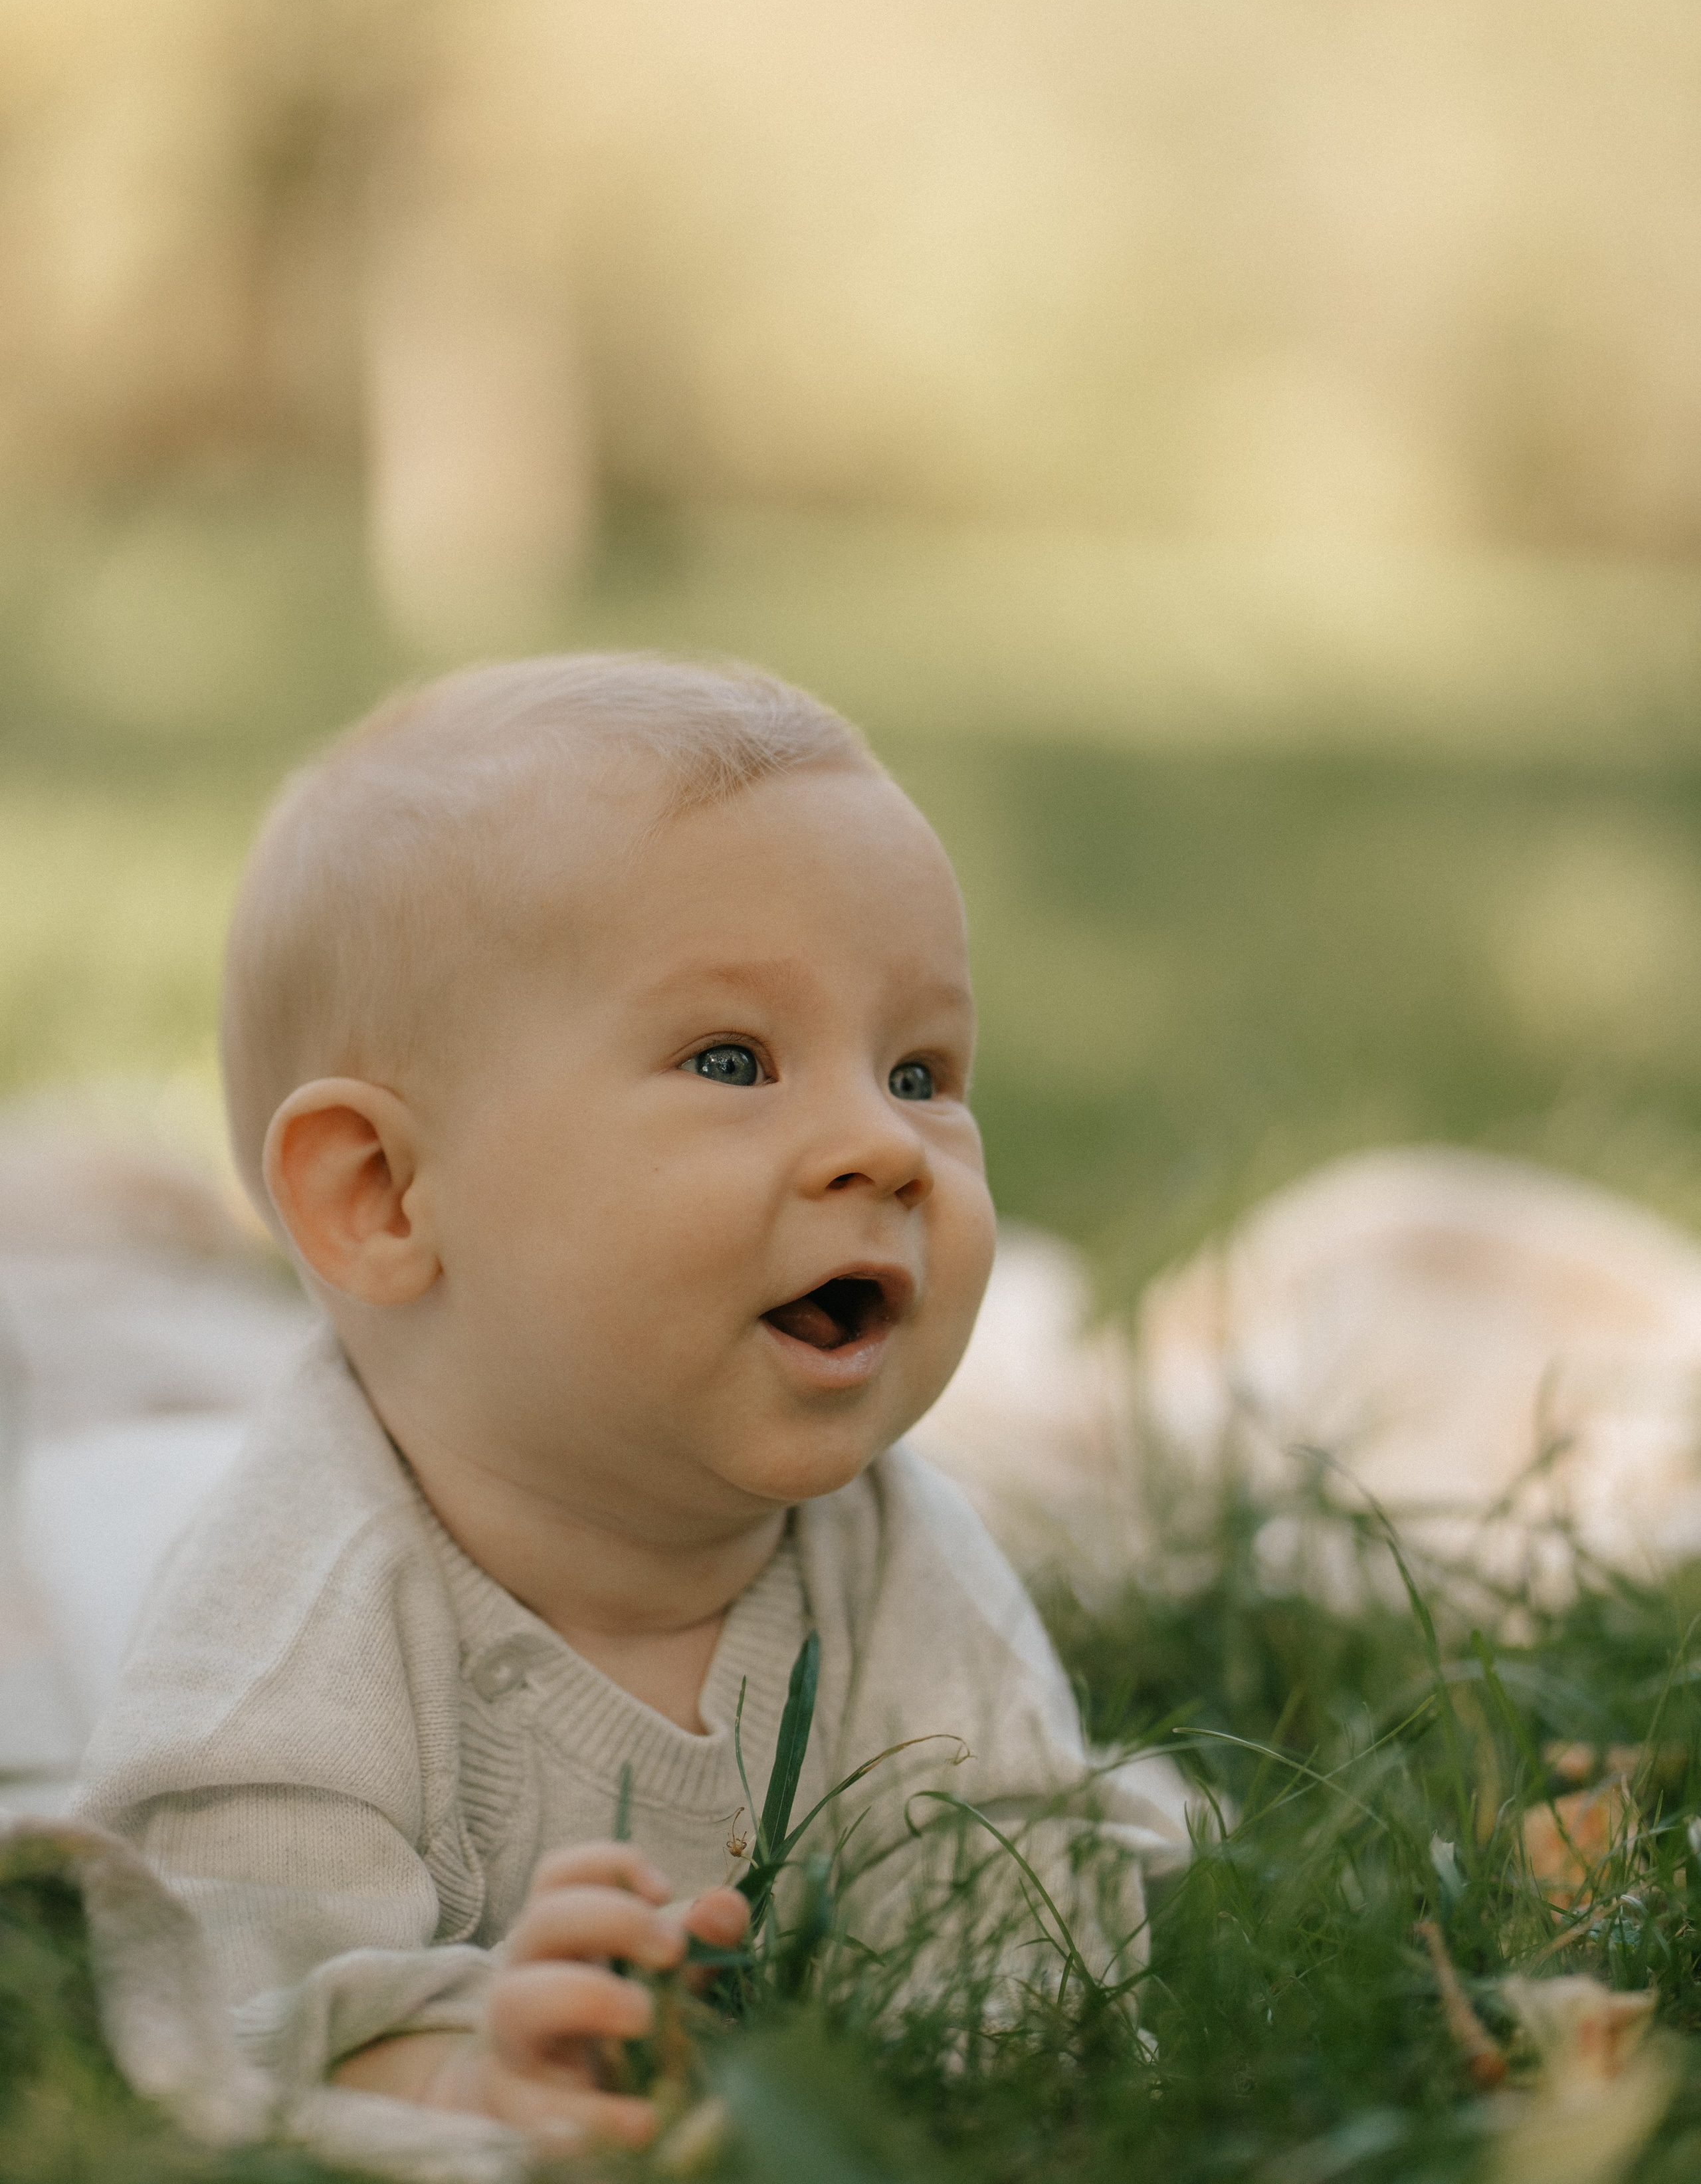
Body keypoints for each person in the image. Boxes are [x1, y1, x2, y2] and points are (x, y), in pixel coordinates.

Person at [77, 654, 1191, 2164]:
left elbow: (1008, 1875)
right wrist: (465, 2070)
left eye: (918, 1067)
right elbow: (251, 1990)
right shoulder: (284, 1637)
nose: (881, 1142)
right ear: (386, 1195)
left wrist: (978, 2034)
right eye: (733, 1060)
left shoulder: (891, 1550)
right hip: (89, 1564)